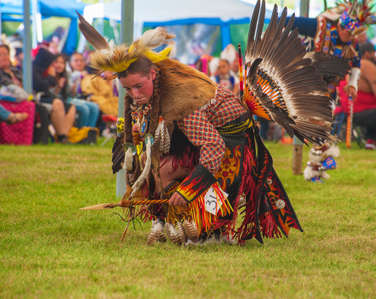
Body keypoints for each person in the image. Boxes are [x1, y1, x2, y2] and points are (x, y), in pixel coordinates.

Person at [78, 1, 334, 245]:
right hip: (203, 134)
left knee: (203, 211)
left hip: (230, 139)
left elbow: (213, 147)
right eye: (128, 88)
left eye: (138, 86)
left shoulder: (180, 100)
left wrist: (190, 189)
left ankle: (208, 225)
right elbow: (150, 145)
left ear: (153, 74)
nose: (134, 94)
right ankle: (167, 219)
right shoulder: (148, 90)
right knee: (160, 165)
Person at [32, 47, 76, 143]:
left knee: (71, 107)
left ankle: (64, 135)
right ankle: (61, 137)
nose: (54, 65)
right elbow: (42, 86)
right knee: (57, 103)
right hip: (39, 98)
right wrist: (51, 77)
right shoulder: (34, 70)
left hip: (49, 97)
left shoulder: (49, 70)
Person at [53, 54, 100, 128]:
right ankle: (79, 133)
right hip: (59, 100)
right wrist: (59, 86)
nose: (59, 65)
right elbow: (51, 94)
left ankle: (89, 132)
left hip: (69, 98)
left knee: (94, 107)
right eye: (57, 62)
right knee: (84, 109)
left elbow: (70, 94)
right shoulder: (51, 75)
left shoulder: (66, 74)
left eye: (62, 63)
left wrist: (73, 89)